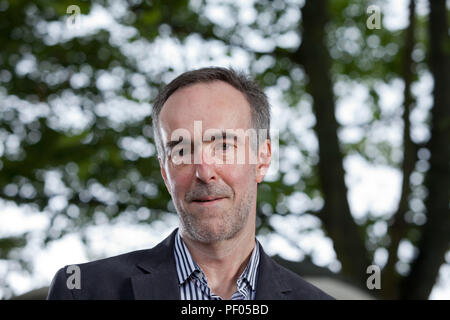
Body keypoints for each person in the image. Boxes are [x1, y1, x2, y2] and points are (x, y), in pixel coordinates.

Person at [47, 67, 334, 300]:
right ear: (164, 171)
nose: (204, 171)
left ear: (262, 159)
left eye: (223, 145)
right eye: (182, 150)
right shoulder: (83, 292)